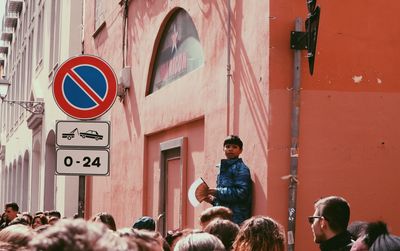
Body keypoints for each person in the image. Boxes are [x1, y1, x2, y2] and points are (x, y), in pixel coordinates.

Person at [205, 135, 252, 225]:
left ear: (241, 150)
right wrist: (212, 200)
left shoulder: (242, 168)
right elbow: (224, 198)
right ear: (223, 149)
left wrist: (217, 192)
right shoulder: (223, 168)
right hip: (223, 218)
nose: (230, 149)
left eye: (235, 147)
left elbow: (241, 193)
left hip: (236, 219)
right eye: (228, 146)